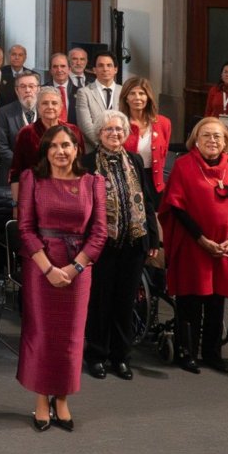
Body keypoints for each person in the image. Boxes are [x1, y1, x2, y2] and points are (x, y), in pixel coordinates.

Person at [15, 124, 107, 432]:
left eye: (66, 145)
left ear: (77, 149)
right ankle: (42, 398)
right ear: (45, 151)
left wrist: (74, 268)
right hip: (41, 267)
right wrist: (49, 268)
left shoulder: (93, 182)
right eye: (53, 146)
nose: (60, 151)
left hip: (78, 270)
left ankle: (63, 398)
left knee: (70, 338)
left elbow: (99, 233)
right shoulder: (32, 179)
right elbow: (25, 229)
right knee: (42, 335)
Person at [82, 110, 158, 381]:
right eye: (109, 130)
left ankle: (121, 357)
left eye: (119, 130)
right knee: (100, 303)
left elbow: (146, 200)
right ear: (99, 134)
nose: (115, 134)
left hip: (133, 244)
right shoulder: (88, 162)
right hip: (103, 245)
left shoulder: (135, 160)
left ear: (126, 134)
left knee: (126, 303)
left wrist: (152, 238)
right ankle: (96, 355)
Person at [158, 117, 228, 374]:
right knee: (191, 300)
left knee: (216, 301)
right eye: (206, 136)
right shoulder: (184, 165)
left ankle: (212, 353)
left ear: (225, 141)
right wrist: (202, 239)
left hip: (226, 247)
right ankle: (186, 351)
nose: (212, 140)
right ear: (196, 140)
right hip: (194, 244)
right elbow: (176, 207)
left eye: (217, 136)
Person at [8, 86, 84, 201]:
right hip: (35, 193)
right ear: (38, 107)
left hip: (69, 191)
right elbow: (16, 171)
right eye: (45, 103)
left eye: (54, 103)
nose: (50, 107)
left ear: (61, 107)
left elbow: (80, 164)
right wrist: (16, 204)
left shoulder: (73, 131)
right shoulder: (26, 132)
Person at [120, 77, 172, 195]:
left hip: (154, 182)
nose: (137, 98)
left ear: (148, 97)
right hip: (127, 183)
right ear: (126, 98)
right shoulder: (119, 123)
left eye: (141, 93)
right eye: (132, 93)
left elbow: (163, 155)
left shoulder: (164, 123)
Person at [204, 61, 228, 127]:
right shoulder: (214, 90)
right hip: (215, 128)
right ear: (221, 74)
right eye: (225, 72)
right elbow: (208, 111)